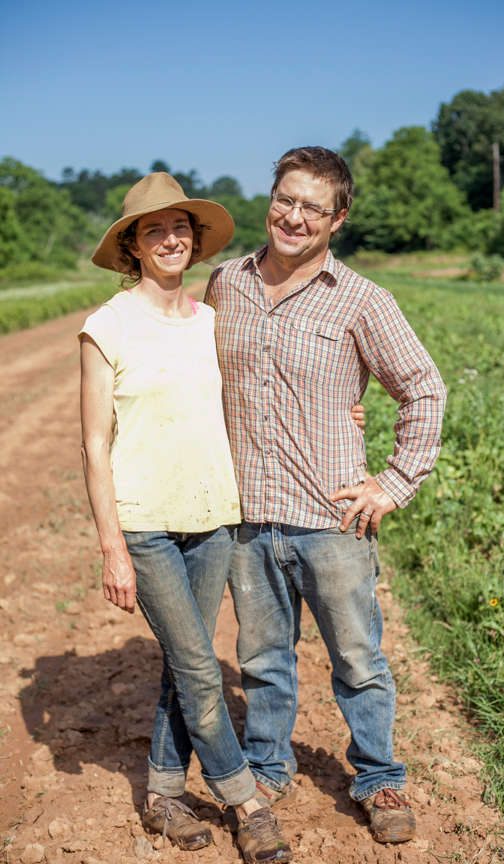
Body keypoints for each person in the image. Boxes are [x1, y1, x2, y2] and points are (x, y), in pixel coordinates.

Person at [205, 146, 447, 845]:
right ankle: (269, 766)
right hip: (249, 517)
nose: (294, 216)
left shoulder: (364, 301)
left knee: (358, 660)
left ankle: (379, 777)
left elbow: (424, 389)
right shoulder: (227, 284)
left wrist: (394, 482)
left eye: (313, 206)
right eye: (286, 198)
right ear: (270, 198)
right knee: (262, 658)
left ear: (338, 218)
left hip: (333, 520)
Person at [79, 172, 293, 863]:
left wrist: (348, 409)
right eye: (153, 230)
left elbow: (262, 389)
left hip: (212, 517)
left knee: (185, 661)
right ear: (132, 248)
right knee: (202, 667)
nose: (170, 239)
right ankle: (245, 800)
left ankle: (164, 792)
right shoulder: (105, 327)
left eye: (180, 228)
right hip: (145, 522)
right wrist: (111, 544)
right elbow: (93, 442)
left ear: (192, 242)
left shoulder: (210, 322)